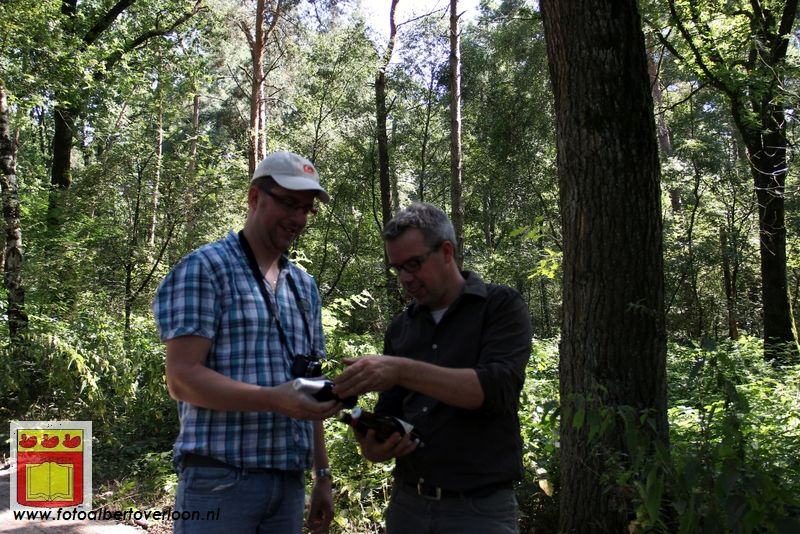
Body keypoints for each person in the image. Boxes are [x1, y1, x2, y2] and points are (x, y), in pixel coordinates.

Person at [152, 151, 341, 534]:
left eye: (306, 209)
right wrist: (274, 398)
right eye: (289, 203)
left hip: (289, 485)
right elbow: (181, 379)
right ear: (255, 198)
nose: (298, 219)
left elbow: (311, 386)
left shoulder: (303, 287)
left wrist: (322, 475)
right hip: (219, 482)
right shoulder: (204, 269)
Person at [333, 202, 532, 533]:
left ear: (447, 251)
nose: (406, 279)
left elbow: (497, 387)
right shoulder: (401, 328)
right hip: (408, 506)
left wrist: (401, 370)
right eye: (398, 268)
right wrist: (373, 444)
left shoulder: (500, 306)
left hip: (479, 511)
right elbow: (391, 410)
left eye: (414, 264)